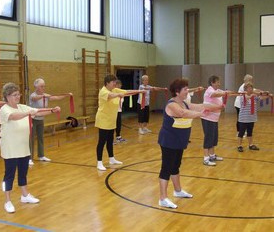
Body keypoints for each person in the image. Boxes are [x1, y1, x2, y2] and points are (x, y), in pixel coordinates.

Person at [158, 78, 221, 209]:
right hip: (168, 141)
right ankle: (162, 198)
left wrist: (216, 107)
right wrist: (201, 114)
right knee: (166, 168)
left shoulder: (184, 103)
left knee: (176, 166)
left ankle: (178, 190)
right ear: (177, 92)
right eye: (185, 89)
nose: (187, 91)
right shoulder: (172, 105)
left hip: (179, 141)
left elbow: (202, 105)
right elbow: (183, 113)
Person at [0, 82, 60, 213]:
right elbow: (14, 117)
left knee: (23, 172)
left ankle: (24, 195)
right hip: (10, 148)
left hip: (23, 146)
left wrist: (51, 110)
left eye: (18, 94)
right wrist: (28, 113)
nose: (18, 97)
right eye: (15, 95)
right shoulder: (4, 109)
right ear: (7, 96)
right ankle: (7, 200)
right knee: (9, 175)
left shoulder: (22, 107)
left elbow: (37, 112)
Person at [95, 75, 144, 171]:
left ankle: (111, 159)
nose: (115, 83)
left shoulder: (115, 90)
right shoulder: (103, 91)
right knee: (102, 141)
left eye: (115, 82)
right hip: (103, 120)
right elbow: (110, 96)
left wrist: (139, 91)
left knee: (110, 140)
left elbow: (127, 92)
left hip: (111, 120)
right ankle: (99, 162)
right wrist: (118, 95)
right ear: (107, 83)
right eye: (113, 82)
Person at [29, 78, 72, 165]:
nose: (43, 88)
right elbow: (35, 98)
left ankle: (41, 155)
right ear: (36, 87)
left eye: (44, 86)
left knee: (41, 138)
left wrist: (67, 95)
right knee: (31, 139)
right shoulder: (32, 95)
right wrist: (44, 96)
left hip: (41, 120)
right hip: (32, 120)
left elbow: (56, 97)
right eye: (41, 86)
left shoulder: (45, 95)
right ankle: (29, 158)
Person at [201, 75, 234, 166]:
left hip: (214, 119)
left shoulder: (218, 91)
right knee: (208, 138)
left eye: (219, 82)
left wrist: (240, 93)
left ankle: (212, 155)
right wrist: (225, 93)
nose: (219, 84)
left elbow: (227, 93)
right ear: (212, 83)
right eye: (217, 82)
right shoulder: (209, 90)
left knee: (213, 138)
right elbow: (215, 95)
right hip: (207, 118)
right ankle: (206, 158)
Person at [237, 83, 271, 152]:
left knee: (250, 132)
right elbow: (245, 100)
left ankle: (250, 145)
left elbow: (261, 98)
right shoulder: (242, 96)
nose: (250, 89)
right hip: (243, 119)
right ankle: (239, 146)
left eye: (251, 88)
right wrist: (251, 95)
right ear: (245, 89)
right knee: (241, 133)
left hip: (251, 118)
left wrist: (268, 96)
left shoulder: (254, 96)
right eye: (249, 88)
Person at [114, 80, 127, 144]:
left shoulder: (122, 93)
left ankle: (118, 136)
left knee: (118, 124)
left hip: (119, 111)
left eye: (120, 84)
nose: (119, 86)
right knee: (113, 126)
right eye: (118, 85)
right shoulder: (113, 93)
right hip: (113, 112)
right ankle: (110, 139)